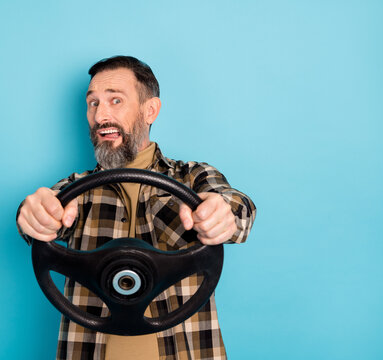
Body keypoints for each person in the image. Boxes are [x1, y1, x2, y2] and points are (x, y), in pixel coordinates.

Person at [16, 56, 256, 360]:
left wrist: (223, 214)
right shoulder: (77, 190)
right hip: (90, 350)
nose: (101, 115)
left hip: (185, 349)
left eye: (115, 100)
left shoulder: (192, 177)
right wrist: (31, 213)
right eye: (92, 104)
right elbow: (41, 212)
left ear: (150, 110)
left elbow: (238, 206)